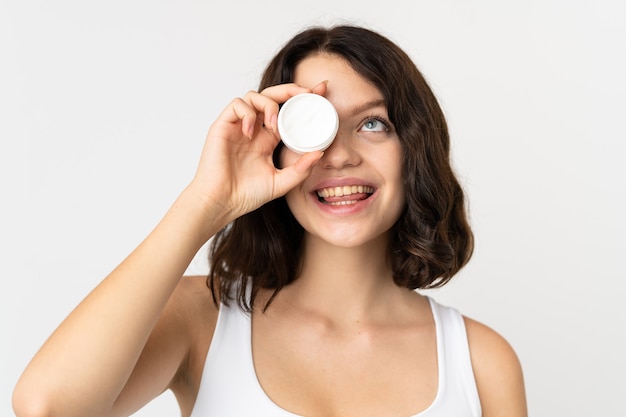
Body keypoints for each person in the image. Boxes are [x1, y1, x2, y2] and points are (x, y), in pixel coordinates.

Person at [13, 25, 527, 417]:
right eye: (313, 126)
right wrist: (205, 203)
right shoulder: (202, 318)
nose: (339, 156)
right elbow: (47, 407)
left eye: (373, 123)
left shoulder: (481, 362)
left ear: (414, 146)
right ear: (277, 147)